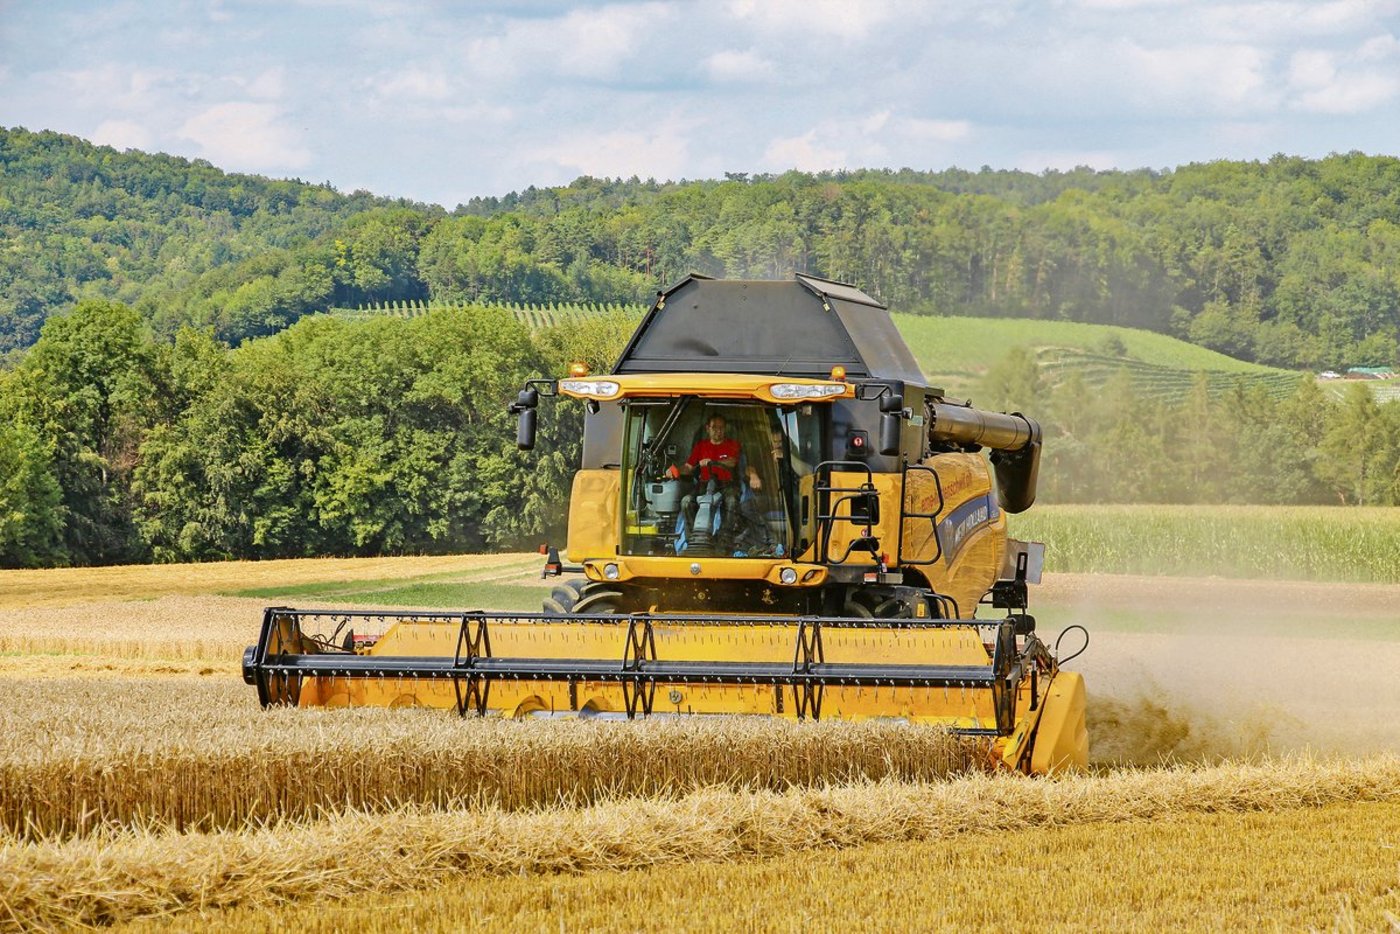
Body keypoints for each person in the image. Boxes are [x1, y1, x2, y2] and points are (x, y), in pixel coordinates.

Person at [671, 414, 743, 551]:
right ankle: (692, 540)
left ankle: (724, 540)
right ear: (707, 429)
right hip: (704, 484)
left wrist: (712, 462)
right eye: (714, 427)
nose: (718, 431)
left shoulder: (732, 445)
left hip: (726, 484)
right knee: (686, 502)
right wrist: (675, 470)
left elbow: (732, 462)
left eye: (721, 428)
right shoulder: (700, 446)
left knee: (732, 501)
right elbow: (688, 467)